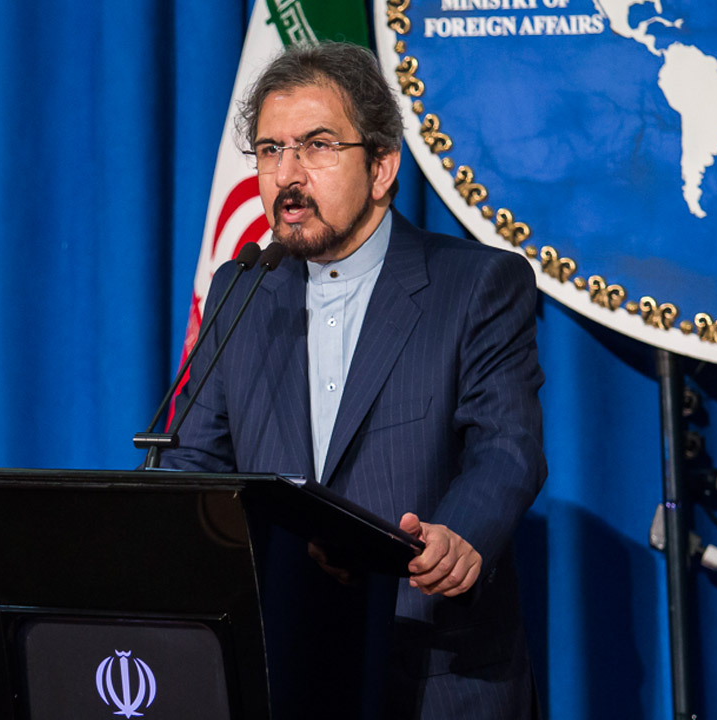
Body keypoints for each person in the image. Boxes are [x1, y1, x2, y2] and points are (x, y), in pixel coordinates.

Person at [161, 42, 546, 718]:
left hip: (428, 663)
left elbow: (506, 449)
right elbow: (196, 463)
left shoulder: (476, 284)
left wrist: (459, 537)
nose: (287, 174)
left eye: (317, 145)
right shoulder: (242, 290)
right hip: (281, 663)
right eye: (271, 150)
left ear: (382, 167)